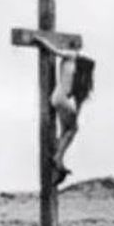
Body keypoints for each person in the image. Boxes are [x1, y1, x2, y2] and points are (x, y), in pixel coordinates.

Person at [33, 36, 95, 186]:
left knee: (67, 130)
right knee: (72, 129)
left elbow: (55, 51)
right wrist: (40, 39)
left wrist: (40, 40)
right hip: (62, 98)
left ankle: (58, 161)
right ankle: (58, 158)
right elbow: (55, 51)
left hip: (58, 98)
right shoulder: (74, 58)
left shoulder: (72, 59)